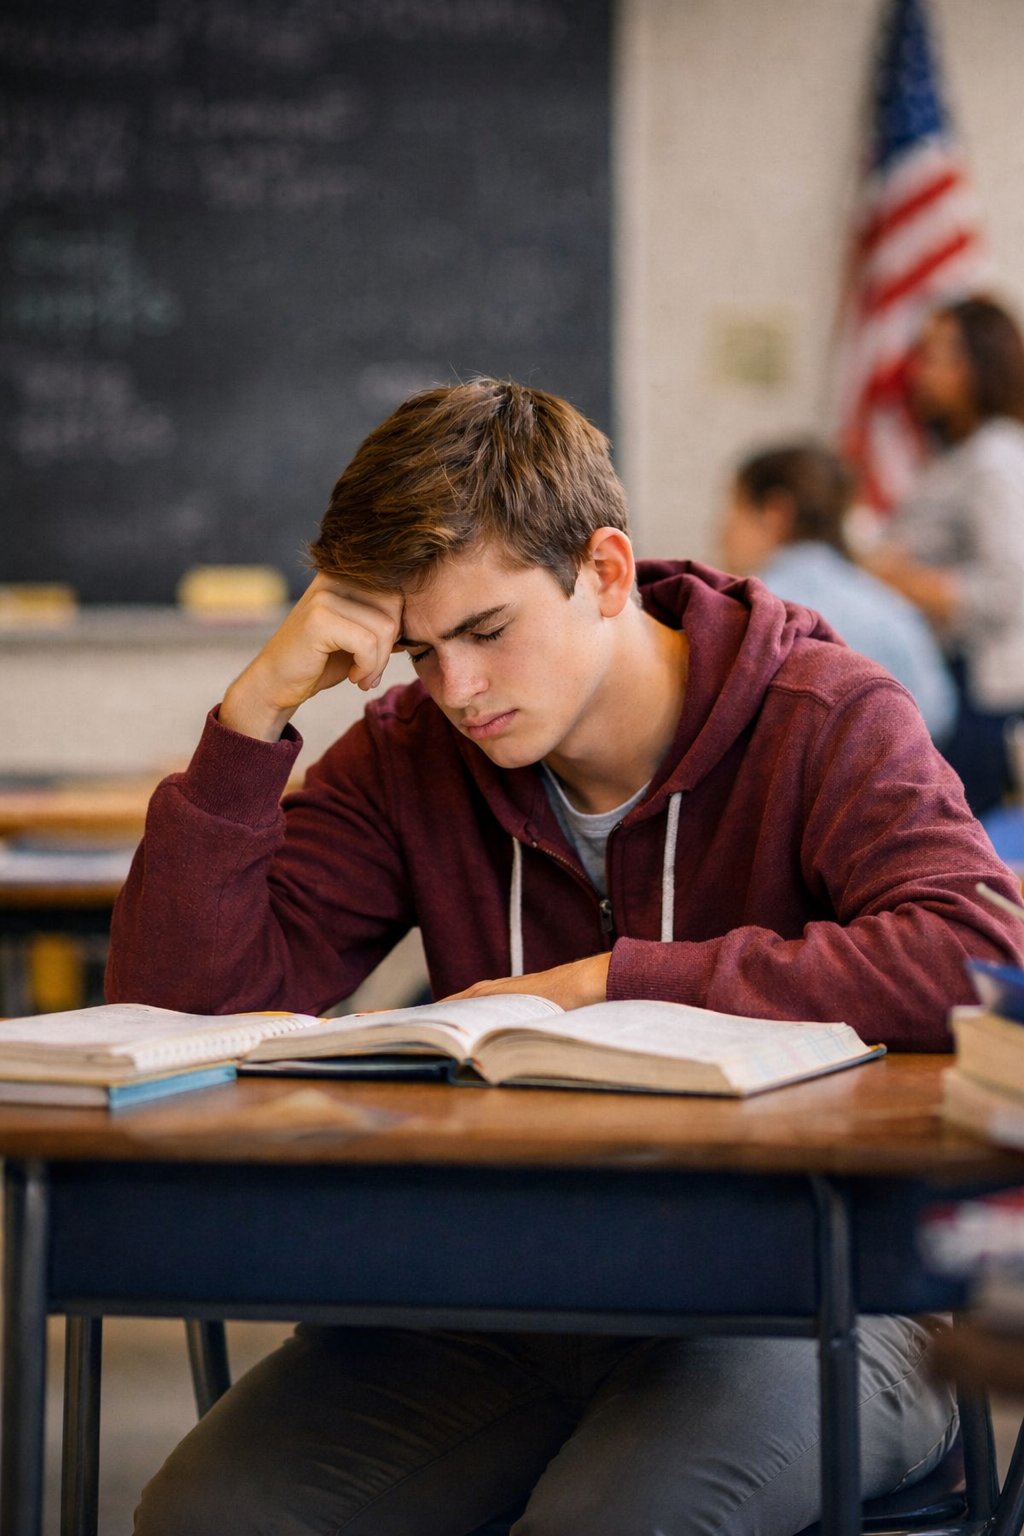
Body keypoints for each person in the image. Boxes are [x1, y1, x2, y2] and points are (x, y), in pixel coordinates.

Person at [109, 379, 1022, 1536]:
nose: (457, 693)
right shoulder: (407, 755)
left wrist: (605, 982)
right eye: (420, 650)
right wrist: (255, 713)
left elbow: (978, 950)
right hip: (505, 1287)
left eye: (487, 633)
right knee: (207, 1518)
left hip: (816, 1299)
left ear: (602, 571)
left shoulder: (819, 711)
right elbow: (174, 1012)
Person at [867, 296, 1024, 814]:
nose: (921, 370)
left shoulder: (997, 458)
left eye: (938, 356)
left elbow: (1006, 589)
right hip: (947, 678)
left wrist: (891, 576)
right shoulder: (956, 455)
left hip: (982, 693)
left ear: (981, 366)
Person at [721, 440, 957, 743]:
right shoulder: (895, 611)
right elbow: (937, 714)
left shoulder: (741, 616)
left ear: (774, 513)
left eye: (734, 510)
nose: (722, 531)